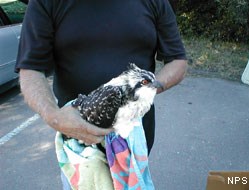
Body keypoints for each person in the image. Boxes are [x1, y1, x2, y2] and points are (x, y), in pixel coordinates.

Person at [16, 0, 187, 187]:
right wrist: (53, 117)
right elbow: (30, 69)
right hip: (78, 143)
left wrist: (149, 87)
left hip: (134, 138)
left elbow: (178, 60)